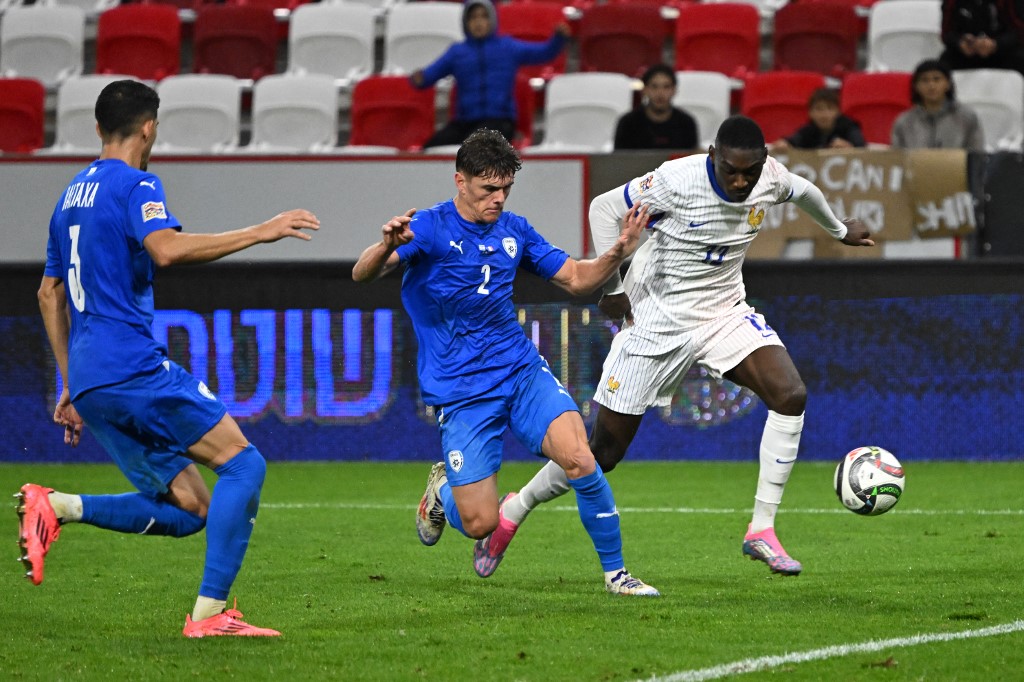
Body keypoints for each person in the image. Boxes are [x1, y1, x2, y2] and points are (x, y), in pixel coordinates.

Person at [471, 115, 876, 580]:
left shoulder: (770, 178)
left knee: (791, 394)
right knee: (602, 452)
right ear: (713, 157)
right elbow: (604, 208)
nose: (742, 181)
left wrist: (839, 231)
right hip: (654, 317)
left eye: (751, 171)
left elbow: (803, 190)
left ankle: (761, 529)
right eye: (732, 171)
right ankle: (514, 510)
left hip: (723, 311)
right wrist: (612, 287)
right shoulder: (674, 180)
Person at [21, 79, 320, 637]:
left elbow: (48, 293)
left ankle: (57, 507)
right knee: (244, 462)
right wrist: (262, 231)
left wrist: (69, 382)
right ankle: (210, 616)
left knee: (189, 509)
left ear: (97, 128)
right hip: (131, 365)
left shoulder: (67, 199)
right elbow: (166, 249)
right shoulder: (137, 185)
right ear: (150, 127)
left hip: (90, 377)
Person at [352, 128, 659, 596]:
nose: (497, 199)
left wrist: (618, 251)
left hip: (518, 371)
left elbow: (576, 280)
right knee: (479, 523)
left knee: (580, 456)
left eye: (505, 189)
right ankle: (441, 491)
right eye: (487, 189)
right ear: (460, 180)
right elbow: (363, 274)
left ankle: (617, 574)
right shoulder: (430, 227)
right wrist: (385, 245)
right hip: (461, 390)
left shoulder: (515, 229)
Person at [410, 0, 569, 149]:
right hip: (464, 122)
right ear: (466, 22)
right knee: (432, 148)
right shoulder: (456, 52)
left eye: (484, 16)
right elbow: (428, 76)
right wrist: (418, 78)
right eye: (473, 17)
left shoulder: (508, 47)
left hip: (500, 121)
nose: (478, 22)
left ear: (492, 20)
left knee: (476, 144)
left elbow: (544, 53)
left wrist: (557, 39)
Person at [890, 59, 986, 150]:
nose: (931, 86)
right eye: (924, 80)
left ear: (948, 84)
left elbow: (977, 156)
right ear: (916, 86)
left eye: (937, 79)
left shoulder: (967, 117)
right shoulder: (904, 121)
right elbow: (897, 159)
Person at [614, 64, 699, 151]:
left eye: (666, 87)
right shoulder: (628, 124)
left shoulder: (686, 123)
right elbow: (618, 160)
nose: (660, 93)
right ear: (645, 90)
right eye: (654, 87)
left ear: (674, 90)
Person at [770, 88, 866, 151]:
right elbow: (793, 140)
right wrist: (785, 144)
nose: (824, 114)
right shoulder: (808, 130)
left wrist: (849, 147)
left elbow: (862, 148)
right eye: (818, 109)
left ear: (838, 111)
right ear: (810, 113)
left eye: (830, 108)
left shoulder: (849, 127)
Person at [939, 0, 1024, 72]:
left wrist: (996, 44)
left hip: (1002, 50)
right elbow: (946, 33)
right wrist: (960, 42)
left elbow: (1019, 31)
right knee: (941, 67)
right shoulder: (951, 2)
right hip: (965, 52)